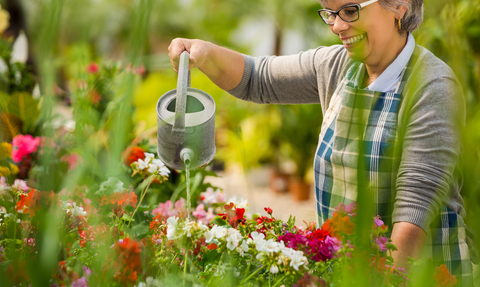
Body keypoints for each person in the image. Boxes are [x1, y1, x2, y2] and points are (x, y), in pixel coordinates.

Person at [168, 0, 473, 285]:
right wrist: (204, 53)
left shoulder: (431, 87)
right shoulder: (337, 66)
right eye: (329, 12)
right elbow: (256, 78)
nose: (338, 26)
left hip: (416, 273)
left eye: (350, 10)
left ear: (398, 7)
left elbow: (413, 215)